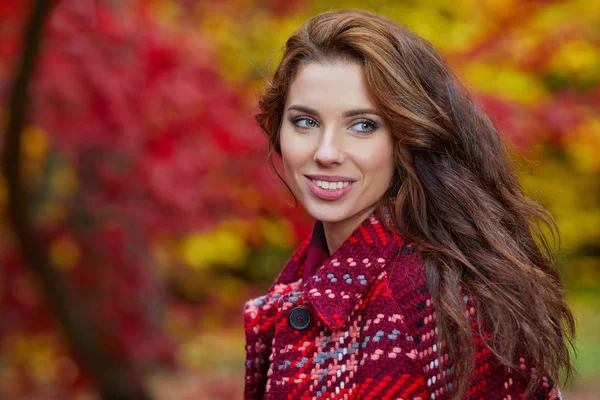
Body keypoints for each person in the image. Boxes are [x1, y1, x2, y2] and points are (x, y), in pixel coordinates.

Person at [243, 8, 574, 400]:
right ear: (278, 129)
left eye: (363, 125)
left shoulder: (428, 305)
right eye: (305, 122)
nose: (326, 152)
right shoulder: (312, 275)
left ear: (407, 137)